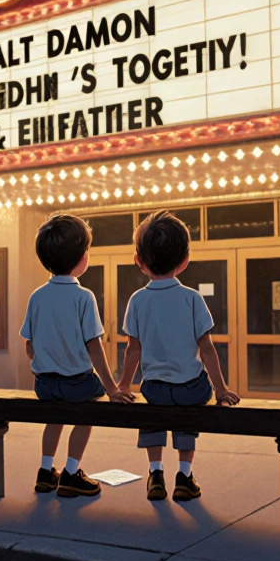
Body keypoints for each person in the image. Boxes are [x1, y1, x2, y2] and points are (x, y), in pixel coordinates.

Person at [117, 211, 240, 502]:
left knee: (152, 414)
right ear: (184, 260)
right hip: (190, 387)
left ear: (139, 261)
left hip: (155, 387)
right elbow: (207, 348)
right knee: (188, 413)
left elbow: (133, 349)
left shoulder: (137, 300)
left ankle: (155, 472)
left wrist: (122, 385)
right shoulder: (192, 298)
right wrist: (220, 389)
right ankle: (184, 475)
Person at [21, 213, 132, 498]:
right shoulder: (84, 297)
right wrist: (112, 388)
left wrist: (45, 362)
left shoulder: (36, 296)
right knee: (87, 413)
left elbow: (29, 346)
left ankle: (45, 471)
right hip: (77, 383)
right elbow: (94, 346)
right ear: (82, 258)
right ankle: (71, 472)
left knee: (54, 417)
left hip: (44, 384)